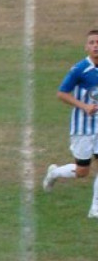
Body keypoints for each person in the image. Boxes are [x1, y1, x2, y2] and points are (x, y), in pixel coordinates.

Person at [42, 29, 98, 219]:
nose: (95, 46)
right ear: (86, 47)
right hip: (83, 127)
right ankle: (54, 173)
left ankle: (95, 208)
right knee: (82, 171)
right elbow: (62, 93)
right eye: (92, 42)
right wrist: (84, 106)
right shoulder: (80, 69)